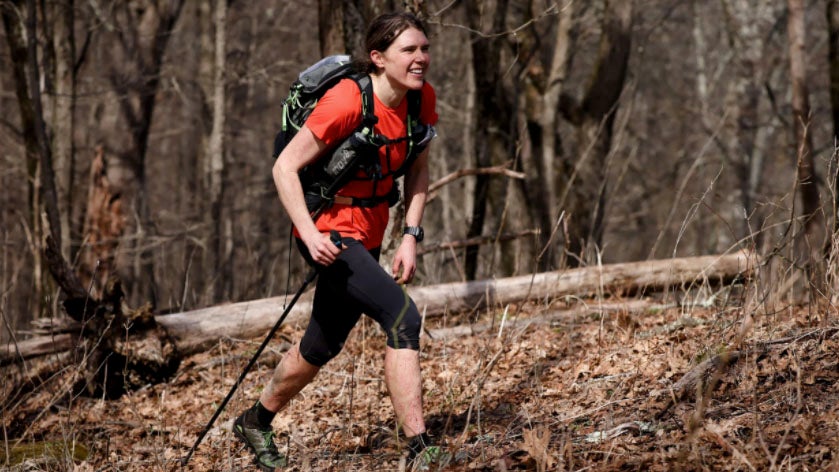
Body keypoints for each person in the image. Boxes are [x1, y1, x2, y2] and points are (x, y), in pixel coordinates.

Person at [233, 12, 444, 471]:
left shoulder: (420, 98)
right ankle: (419, 448)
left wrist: (410, 235)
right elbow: (284, 168)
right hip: (327, 230)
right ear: (378, 57)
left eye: (424, 48)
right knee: (403, 317)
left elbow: (419, 169)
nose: (421, 58)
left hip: (371, 229)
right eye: (409, 50)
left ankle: (255, 420)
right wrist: (309, 234)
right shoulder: (348, 100)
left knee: (322, 344)